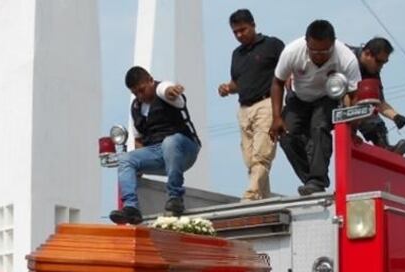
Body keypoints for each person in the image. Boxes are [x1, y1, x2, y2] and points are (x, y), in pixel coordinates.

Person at [270, 19, 361, 195]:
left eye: (325, 51)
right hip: (299, 97)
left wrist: (353, 128)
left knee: (319, 127)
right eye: (314, 51)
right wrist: (276, 117)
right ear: (306, 43)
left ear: (333, 43)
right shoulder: (292, 51)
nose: (319, 56)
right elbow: (277, 82)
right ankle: (311, 180)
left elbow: (354, 94)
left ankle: (317, 180)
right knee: (286, 135)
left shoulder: (346, 57)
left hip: (327, 97)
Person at [109, 66, 202, 225]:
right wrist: (138, 167)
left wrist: (171, 91)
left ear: (151, 81)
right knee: (125, 159)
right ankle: (131, 208)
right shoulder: (136, 107)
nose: (140, 96)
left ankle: (175, 197)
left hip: (185, 148)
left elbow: (166, 89)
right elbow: (139, 140)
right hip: (157, 153)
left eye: (142, 90)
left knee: (169, 142)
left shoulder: (162, 91)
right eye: (135, 93)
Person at [217, 9, 285, 200]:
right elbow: (238, 83)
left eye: (243, 30)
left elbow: (287, 70)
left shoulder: (272, 45)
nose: (239, 35)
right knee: (250, 160)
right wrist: (227, 88)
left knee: (261, 155)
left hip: (267, 103)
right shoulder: (236, 54)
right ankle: (264, 199)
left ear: (253, 25)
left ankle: (251, 195)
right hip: (244, 109)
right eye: (235, 32)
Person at [350, 38, 405, 155]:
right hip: (327, 95)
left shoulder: (372, 73)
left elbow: (378, 102)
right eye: (379, 62)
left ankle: (383, 145)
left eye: (384, 63)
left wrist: (395, 117)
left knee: (368, 108)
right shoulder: (348, 57)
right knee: (359, 104)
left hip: (349, 106)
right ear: (367, 53)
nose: (381, 66)